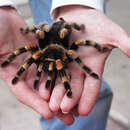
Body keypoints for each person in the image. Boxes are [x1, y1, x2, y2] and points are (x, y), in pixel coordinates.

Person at [0, 0, 130, 130]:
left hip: (61, 44)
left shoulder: (69, 51)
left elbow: (81, 42)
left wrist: (79, 6)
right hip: (48, 45)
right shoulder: (40, 52)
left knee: (66, 33)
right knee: (41, 32)